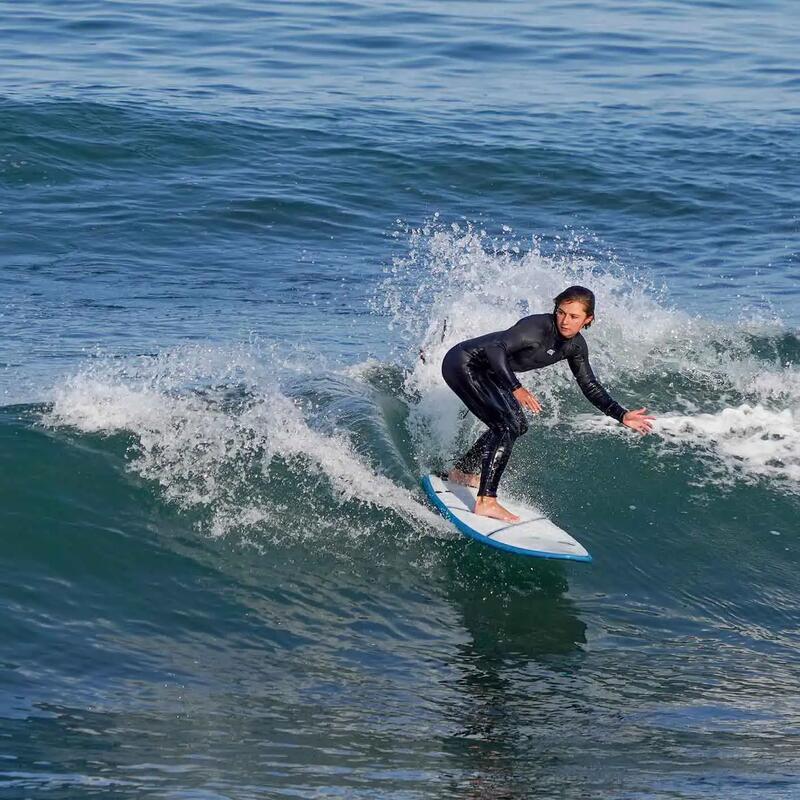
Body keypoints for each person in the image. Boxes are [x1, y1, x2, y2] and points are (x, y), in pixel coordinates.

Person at [441, 285, 654, 523]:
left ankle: (461, 472)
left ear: (588, 319)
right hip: (463, 364)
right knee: (506, 427)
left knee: (517, 426)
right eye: (561, 312)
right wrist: (516, 388)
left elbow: (589, 385)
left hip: (488, 373)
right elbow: (494, 348)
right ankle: (486, 501)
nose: (565, 321)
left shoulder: (575, 347)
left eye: (574, 316)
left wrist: (622, 415)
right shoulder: (537, 327)